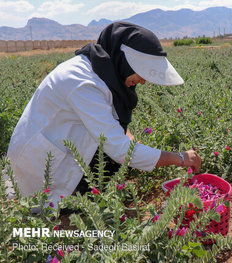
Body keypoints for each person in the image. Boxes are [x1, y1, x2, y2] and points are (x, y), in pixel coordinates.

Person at [6, 21, 202, 209]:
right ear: (124, 61)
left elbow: (111, 121)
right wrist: (180, 158)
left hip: (61, 146)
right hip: (41, 168)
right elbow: (119, 149)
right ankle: (66, 198)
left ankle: (81, 189)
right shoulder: (82, 82)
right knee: (67, 200)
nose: (143, 81)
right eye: (142, 72)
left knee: (113, 161)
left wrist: (130, 142)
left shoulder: (101, 70)